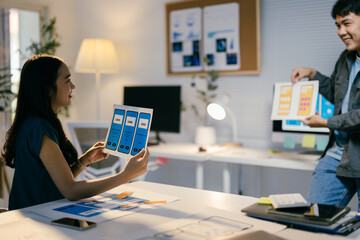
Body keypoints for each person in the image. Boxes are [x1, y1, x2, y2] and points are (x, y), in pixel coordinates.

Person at [1, 54, 149, 210]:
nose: (73, 86)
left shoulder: (38, 123)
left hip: (42, 212)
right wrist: (125, 176)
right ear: (48, 89)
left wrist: (84, 161)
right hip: (37, 218)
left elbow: (55, 182)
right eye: (67, 80)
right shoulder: (39, 127)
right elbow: (70, 190)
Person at [291, 0, 360, 210]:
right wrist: (312, 74)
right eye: (338, 26)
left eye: (346, 23)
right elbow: (336, 95)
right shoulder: (345, 58)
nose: (341, 31)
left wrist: (326, 122)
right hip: (336, 157)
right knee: (315, 220)